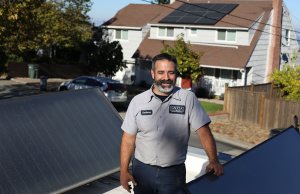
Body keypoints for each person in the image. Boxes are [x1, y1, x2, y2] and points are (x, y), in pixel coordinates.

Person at [120, 53, 224, 194]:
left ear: (176, 74)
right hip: (142, 172)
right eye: (161, 72)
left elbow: (203, 131)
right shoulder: (137, 102)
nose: (166, 78)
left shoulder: (188, 99)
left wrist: (214, 160)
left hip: (173, 173)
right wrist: (124, 170)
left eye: (171, 73)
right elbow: (128, 138)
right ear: (153, 73)